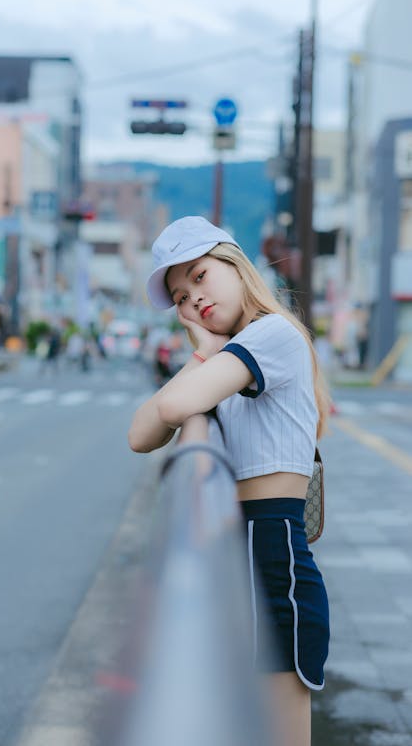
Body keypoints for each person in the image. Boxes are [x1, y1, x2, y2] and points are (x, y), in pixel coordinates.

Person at [128, 216, 331, 746]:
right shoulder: (233, 355)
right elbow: (140, 434)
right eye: (179, 296)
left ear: (236, 265)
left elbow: (172, 405)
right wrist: (208, 352)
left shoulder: (272, 335)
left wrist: (203, 351)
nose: (193, 299)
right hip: (240, 551)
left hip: (272, 556)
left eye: (199, 275)